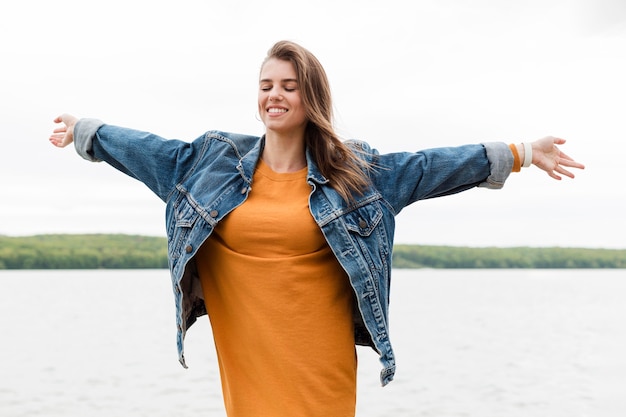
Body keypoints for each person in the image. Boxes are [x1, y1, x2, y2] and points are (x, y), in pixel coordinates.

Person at [48, 40, 584, 417]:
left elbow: (427, 166)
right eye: (266, 85)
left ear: (311, 97)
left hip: (319, 365)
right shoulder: (208, 163)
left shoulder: (356, 174)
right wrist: (86, 132)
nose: (274, 95)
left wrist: (518, 153)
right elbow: (147, 150)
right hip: (251, 366)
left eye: (288, 85)